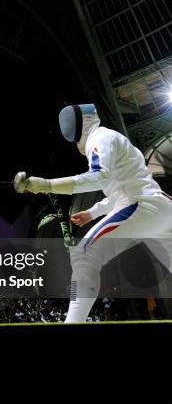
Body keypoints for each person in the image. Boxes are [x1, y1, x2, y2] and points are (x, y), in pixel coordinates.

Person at [15, 104, 172, 322]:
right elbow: (119, 191)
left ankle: (73, 322)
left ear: (77, 125)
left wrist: (48, 184)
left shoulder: (98, 138)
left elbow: (100, 177)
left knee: (83, 253)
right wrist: (92, 212)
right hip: (163, 207)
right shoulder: (111, 138)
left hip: (141, 204)